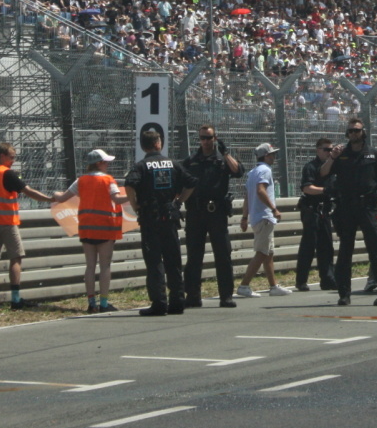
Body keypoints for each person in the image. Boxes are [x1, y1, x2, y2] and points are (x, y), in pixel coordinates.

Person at [321, 117, 377, 306]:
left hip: (367, 207)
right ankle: (344, 294)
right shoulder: (341, 154)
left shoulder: (374, 155)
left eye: (357, 130)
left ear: (363, 133)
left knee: (376, 250)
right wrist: (332, 157)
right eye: (351, 131)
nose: (353, 133)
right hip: (346, 207)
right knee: (345, 253)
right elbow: (323, 173)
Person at [125, 129, 196, 316]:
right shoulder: (173, 164)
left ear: (143, 146)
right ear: (159, 144)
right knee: (173, 260)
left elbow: (129, 185)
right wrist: (178, 202)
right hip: (170, 218)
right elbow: (191, 183)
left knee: (154, 261)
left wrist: (135, 205)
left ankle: (159, 303)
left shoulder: (141, 166)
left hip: (150, 219)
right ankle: (177, 301)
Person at [0, 142, 55, 310]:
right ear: (2, 156)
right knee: (16, 257)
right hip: (7, 223)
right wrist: (49, 199)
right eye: (11, 157)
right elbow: (28, 191)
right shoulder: (7, 173)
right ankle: (15, 299)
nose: (13, 161)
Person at [50, 149, 128, 313]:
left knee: (90, 266)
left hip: (86, 228)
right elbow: (117, 199)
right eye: (105, 162)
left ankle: (91, 303)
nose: (107, 165)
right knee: (105, 266)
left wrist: (54, 193)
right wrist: (134, 196)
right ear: (99, 163)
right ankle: (104, 304)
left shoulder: (80, 181)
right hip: (105, 227)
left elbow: (62, 198)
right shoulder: (108, 180)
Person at [181, 124, 244, 308]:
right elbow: (181, 182)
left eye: (209, 138)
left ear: (215, 138)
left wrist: (226, 154)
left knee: (223, 255)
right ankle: (193, 296)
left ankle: (226, 296)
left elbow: (238, 172)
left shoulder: (222, 159)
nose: (206, 141)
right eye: (203, 138)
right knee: (194, 256)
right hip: (196, 212)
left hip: (217, 212)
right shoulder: (191, 161)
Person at [237, 142, 293, 297]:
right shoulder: (265, 170)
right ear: (266, 156)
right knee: (262, 253)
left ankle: (273, 286)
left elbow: (247, 196)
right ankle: (244, 285)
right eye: (272, 154)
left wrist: (244, 217)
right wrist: (274, 209)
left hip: (257, 217)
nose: (274, 157)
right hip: (264, 217)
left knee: (268, 253)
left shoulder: (252, 172)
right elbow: (260, 191)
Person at [294, 137, 337, 292]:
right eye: (326, 149)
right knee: (309, 245)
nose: (329, 152)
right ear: (318, 150)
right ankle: (301, 280)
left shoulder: (333, 167)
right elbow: (307, 188)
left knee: (326, 246)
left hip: (325, 210)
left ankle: (327, 279)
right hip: (311, 209)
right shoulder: (310, 167)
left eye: (331, 150)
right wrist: (325, 190)